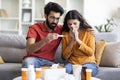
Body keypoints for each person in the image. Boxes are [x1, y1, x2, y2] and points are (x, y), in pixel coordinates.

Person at [22, 2, 64, 68]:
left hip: (49, 62)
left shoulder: (60, 29)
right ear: (45, 16)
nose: (55, 21)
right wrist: (45, 40)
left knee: (62, 70)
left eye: (57, 18)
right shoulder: (34, 28)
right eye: (52, 17)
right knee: (28, 62)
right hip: (34, 60)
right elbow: (29, 49)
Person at [62, 10, 98, 77]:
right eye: (69, 24)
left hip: (88, 62)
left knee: (86, 72)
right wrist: (72, 40)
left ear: (80, 22)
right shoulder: (65, 33)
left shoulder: (88, 31)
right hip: (72, 63)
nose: (72, 26)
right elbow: (65, 56)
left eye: (75, 23)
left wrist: (77, 40)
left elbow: (91, 53)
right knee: (65, 71)